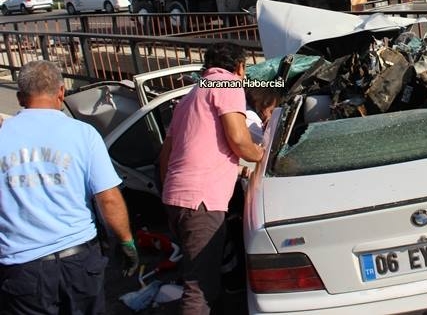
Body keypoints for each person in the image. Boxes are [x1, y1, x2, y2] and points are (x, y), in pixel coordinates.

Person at [0, 60, 139, 314]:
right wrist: (126, 242)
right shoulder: (83, 134)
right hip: (80, 263)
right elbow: (108, 198)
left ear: (20, 97)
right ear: (61, 92)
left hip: (22, 268)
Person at [159, 42, 266, 314]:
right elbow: (240, 141)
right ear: (240, 67)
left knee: (201, 277)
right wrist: (262, 155)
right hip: (202, 201)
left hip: (177, 197)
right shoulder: (227, 84)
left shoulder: (190, 97)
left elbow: (166, 158)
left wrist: (237, 171)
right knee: (199, 289)